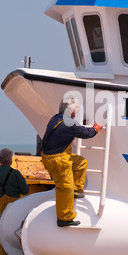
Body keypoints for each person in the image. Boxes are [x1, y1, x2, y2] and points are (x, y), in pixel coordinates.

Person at [41, 97, 103, 227]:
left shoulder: (57, 118)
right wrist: (96, 128)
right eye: (76, 108)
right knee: (65, 188)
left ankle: (77, 190)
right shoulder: (69, 124)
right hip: (58, 160)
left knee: (80, 162)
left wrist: (79, 125)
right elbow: (87, 134)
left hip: (59, 156)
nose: (78, 110)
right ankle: (64, 218)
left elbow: (71, 128)